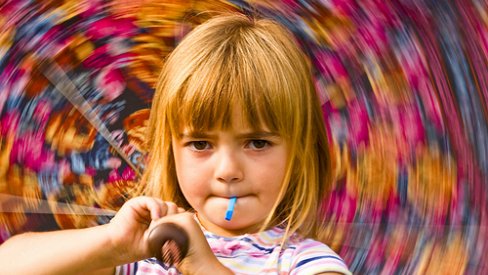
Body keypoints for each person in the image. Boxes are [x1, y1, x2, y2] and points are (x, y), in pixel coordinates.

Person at [0, 13, 351, 275]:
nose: (228, 170)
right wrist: (113, 244)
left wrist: (205, 267)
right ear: (172, 152)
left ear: (299, 152)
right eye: (200, 144)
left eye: (257, 142)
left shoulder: (306, 262)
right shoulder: (145, 250)